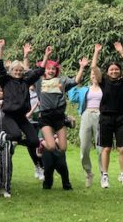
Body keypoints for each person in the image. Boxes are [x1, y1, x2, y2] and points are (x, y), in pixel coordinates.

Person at [0, 40, 49, 175]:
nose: (18, 72)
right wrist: (1, 48)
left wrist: (46, 56)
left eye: (20, 70)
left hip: (22, 117)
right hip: (9, 116)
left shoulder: (25, 82)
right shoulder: (6, 80)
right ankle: (6, 138)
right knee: (16, 135)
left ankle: (11, 142)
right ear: (11, 71)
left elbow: (39, 72)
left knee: (34, 141)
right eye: (16, 70)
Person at [34, 56, 87, 190]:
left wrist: (81, 67)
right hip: (46, 116)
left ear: (56, 70)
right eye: (48, 69)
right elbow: (29, 71)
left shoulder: (62, 80)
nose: (51, 71)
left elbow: (76, 80)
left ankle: (46, 145)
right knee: (51, 147)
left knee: (62, 148)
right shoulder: (39, 82)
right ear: (44, 70)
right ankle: (42, 144)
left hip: (59, 116)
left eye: (53, 69)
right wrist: (27, 55)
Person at [91, 42, 123, 189]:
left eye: (116, 69)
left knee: (122, 148)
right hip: (106, 118)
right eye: (111, 69)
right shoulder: (103, 81)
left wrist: (121, 51)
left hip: (121, 117)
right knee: (106, 148)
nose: (114, 71)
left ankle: (122, 175)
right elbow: (94, 67)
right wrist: (96, 52)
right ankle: (105, 176)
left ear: (119, 72)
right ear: (107, 72)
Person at [68, 59, 103, 187]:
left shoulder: (104, 89)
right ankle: (88, 173)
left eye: (96, 74)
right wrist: (80, 71)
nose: (94, 76)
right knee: (84, 147)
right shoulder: (84, 90)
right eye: (92, 74)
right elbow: (72, 97)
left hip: (101, 116)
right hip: (86, 115)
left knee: (101, 148)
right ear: (90, 76)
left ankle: (103, 174)